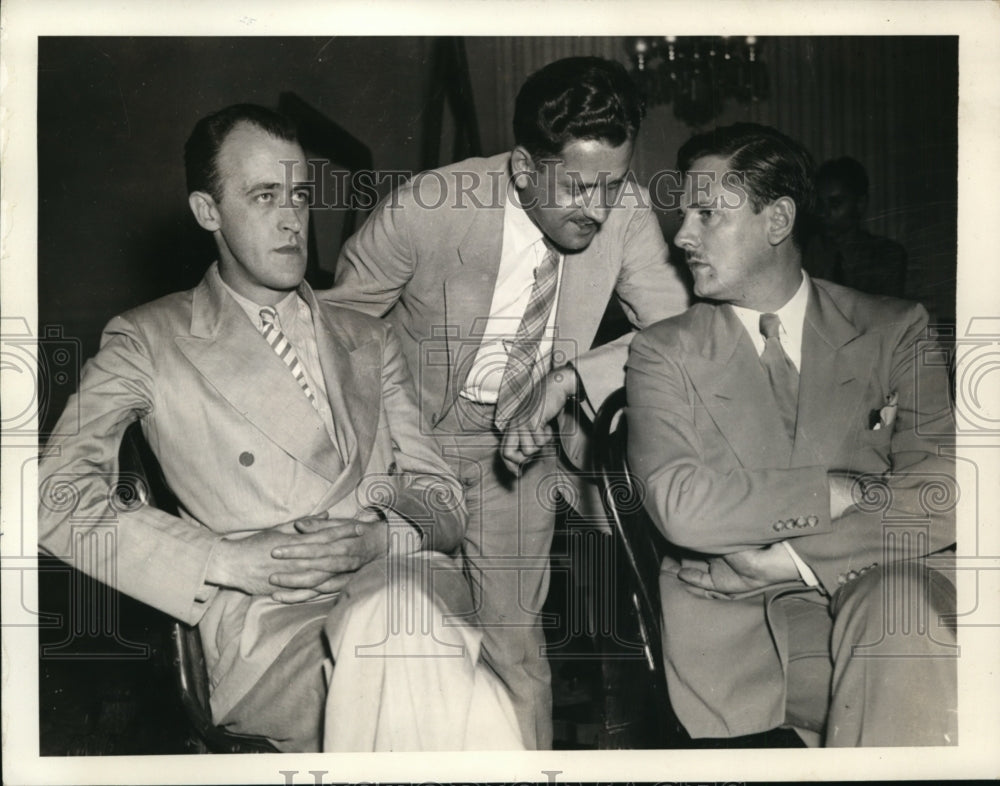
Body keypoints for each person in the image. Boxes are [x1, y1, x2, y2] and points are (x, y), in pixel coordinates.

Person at [37, 104, 524, 752]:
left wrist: (376, 543)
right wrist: (224, 561)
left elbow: (442, 499)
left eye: (299, 193)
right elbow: (52, 498)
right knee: (458, 691)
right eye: (264, 196)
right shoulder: (149, 341)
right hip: (276, 630)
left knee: (410, 643)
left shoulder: (368, 338)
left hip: (402, 586)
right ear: (208, 212)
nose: (293, 217)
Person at [323, 56, 689, 749]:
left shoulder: (628, 212)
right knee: (399, 638)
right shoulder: (426, 208)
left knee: (515, 651)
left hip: (519, 455)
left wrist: (572, 377)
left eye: (611, 184)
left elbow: (679, 339)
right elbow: (338, 329)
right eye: (577, 186)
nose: (597, 207)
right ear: (523, 166)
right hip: (409, 445)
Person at [626, 123, 956, 746]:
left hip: (881, 605)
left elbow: (952, 490)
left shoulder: (895, 328)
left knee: (899, 615)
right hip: (745, 648)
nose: (682, 235)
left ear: (777, 220)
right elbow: (681, 506)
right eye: (683, 215)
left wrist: (789, 560)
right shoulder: (664, 351)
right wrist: (835, 490)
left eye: (706, 214)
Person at [803, 156, 908, 297]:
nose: (823, 213)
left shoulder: (886, 255)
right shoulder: (804, 253)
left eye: (835, 204)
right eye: (819, 204)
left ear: (860, 204)